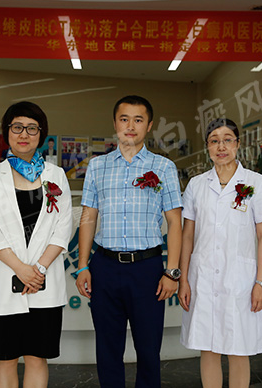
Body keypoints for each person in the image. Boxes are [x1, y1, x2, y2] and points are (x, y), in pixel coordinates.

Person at [75, 95, 183, 387]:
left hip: (147, 269)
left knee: (148, 350)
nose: (130, 126)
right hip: (105, 267)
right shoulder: (97, 166)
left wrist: (172, 272)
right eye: (124, 119)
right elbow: (88, 217)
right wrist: (83, 266)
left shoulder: (163, 167)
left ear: (149, 125)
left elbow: (175, 222)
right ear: (115, 124)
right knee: (107, 348)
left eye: (138, 120)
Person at [0, 101, 72, 387]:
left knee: (37, 357)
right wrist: (20, 269)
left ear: (41, 134)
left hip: (44, 281)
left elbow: (63, 227)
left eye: (32, 128)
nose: (24, 134)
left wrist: (38, 269)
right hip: (5, 278)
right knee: (5, 358)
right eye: (17, 127)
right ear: (7, 132)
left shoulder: (56, 175)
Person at [178, 118, 262, 388]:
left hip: (241, 280)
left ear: (238, 144)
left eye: (227, 140)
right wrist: (184, 279)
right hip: (203, 277)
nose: (221, 146)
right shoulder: (197, 185)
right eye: (214, 141)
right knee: (208, 346)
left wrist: (261, 283)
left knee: (238, 347)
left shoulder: (256, 183)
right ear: (207, 147)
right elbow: (187, 236)